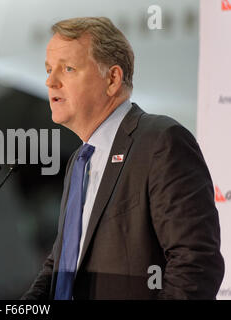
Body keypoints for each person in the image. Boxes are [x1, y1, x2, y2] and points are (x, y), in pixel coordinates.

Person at [22, 17, 224, 300]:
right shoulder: (79, 162)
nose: (50, 81)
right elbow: (61, 266)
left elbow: (195, 263)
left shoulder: (160, 142)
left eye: (67, 69)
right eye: (48, 70)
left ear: (112, 79)